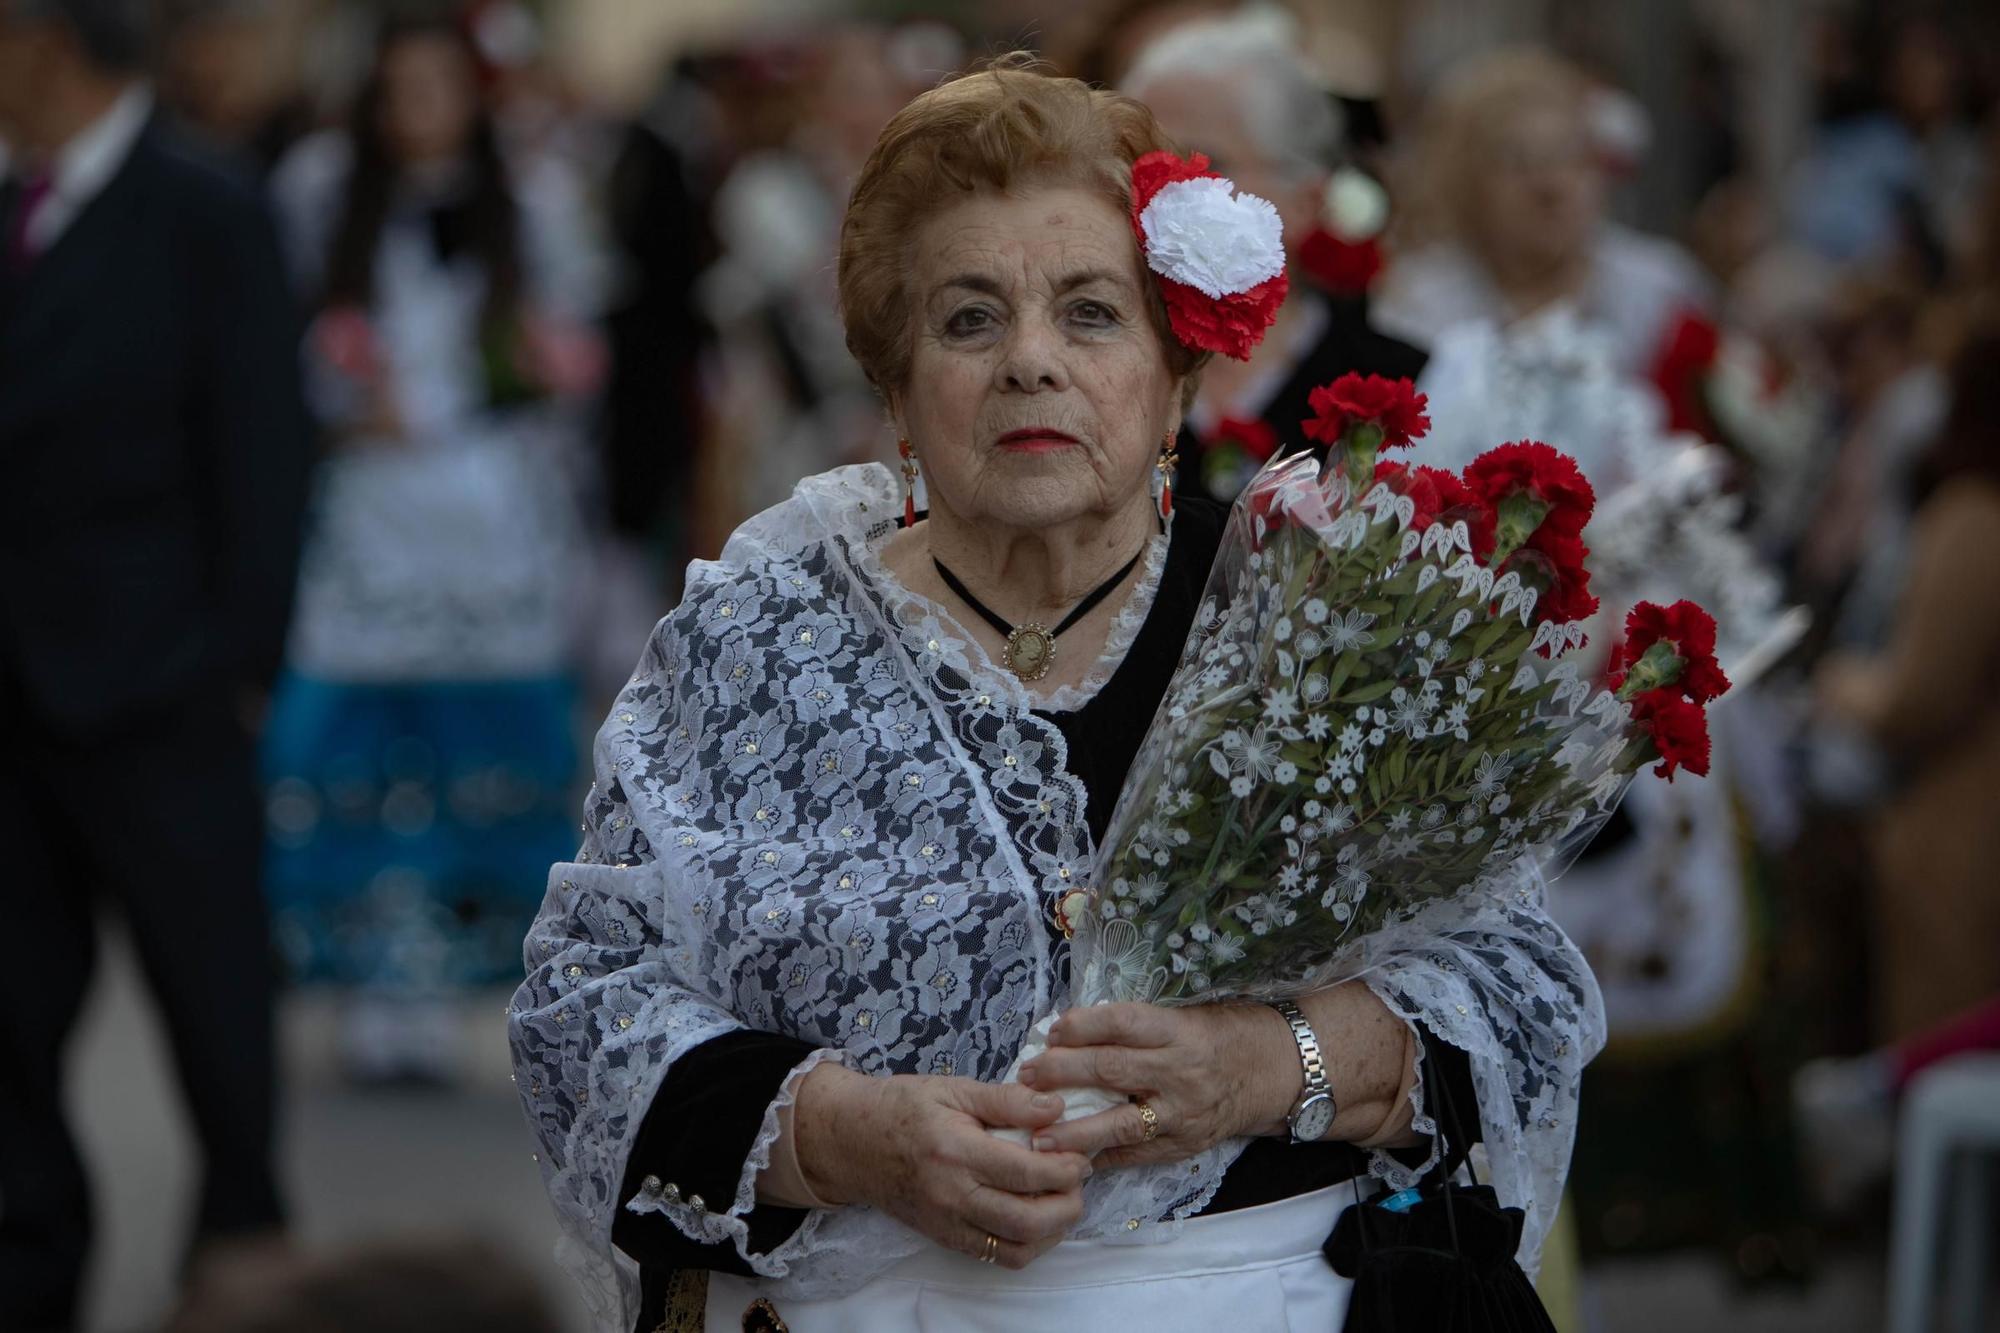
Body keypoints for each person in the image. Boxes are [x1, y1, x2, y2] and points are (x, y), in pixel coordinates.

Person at [510, 59, 1602, 1332]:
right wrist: (849, 1132)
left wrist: (1269, 1063)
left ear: (1175, 375)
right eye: (969, 319)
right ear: (898, 384)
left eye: (1088, 314)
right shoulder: (753, 643)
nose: (1030, 360)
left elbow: (1517, 985)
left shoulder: (1316, 626)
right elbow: (584, 1010)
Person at [0, 0, 311, 1326]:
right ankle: (27, 1274)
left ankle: (238, 1257)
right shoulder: (14, 209)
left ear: (44, 42)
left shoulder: (204, 207)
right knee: (8, 1025)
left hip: (159, 690)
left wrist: (234, 663)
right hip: (8, 701)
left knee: (214, 1006)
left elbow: (264, 450)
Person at [264, 17, 596, 1083]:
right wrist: (334, 405)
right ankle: (369, 978)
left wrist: (529, 383)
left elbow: (571, 339)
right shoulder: (321, 189)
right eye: (400, 89)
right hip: (371, 500)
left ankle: (448, 979)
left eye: (440, 89)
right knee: (364, 742)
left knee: (476, 746)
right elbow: (280, 329)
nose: (420, 112)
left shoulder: (530, 199)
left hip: (486, 505)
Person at [1120, 8, 1424, 505]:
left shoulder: (1399, 388)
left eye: (1206, 161)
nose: (1162, 188)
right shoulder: (1091, 370)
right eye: (1140, 157)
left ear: (1306, 199)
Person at [1816, 330, 2000, 1043]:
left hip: (1966, 843)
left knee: (1945, 1064)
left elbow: (1917, 699)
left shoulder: (1975, 520)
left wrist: (1844, 683)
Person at [1376, 47, 1711, 378]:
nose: (1550, 187)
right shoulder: (1419, 306)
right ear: (1466, 183)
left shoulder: (1659, 293)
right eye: (1518, 163)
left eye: (1568, 157)